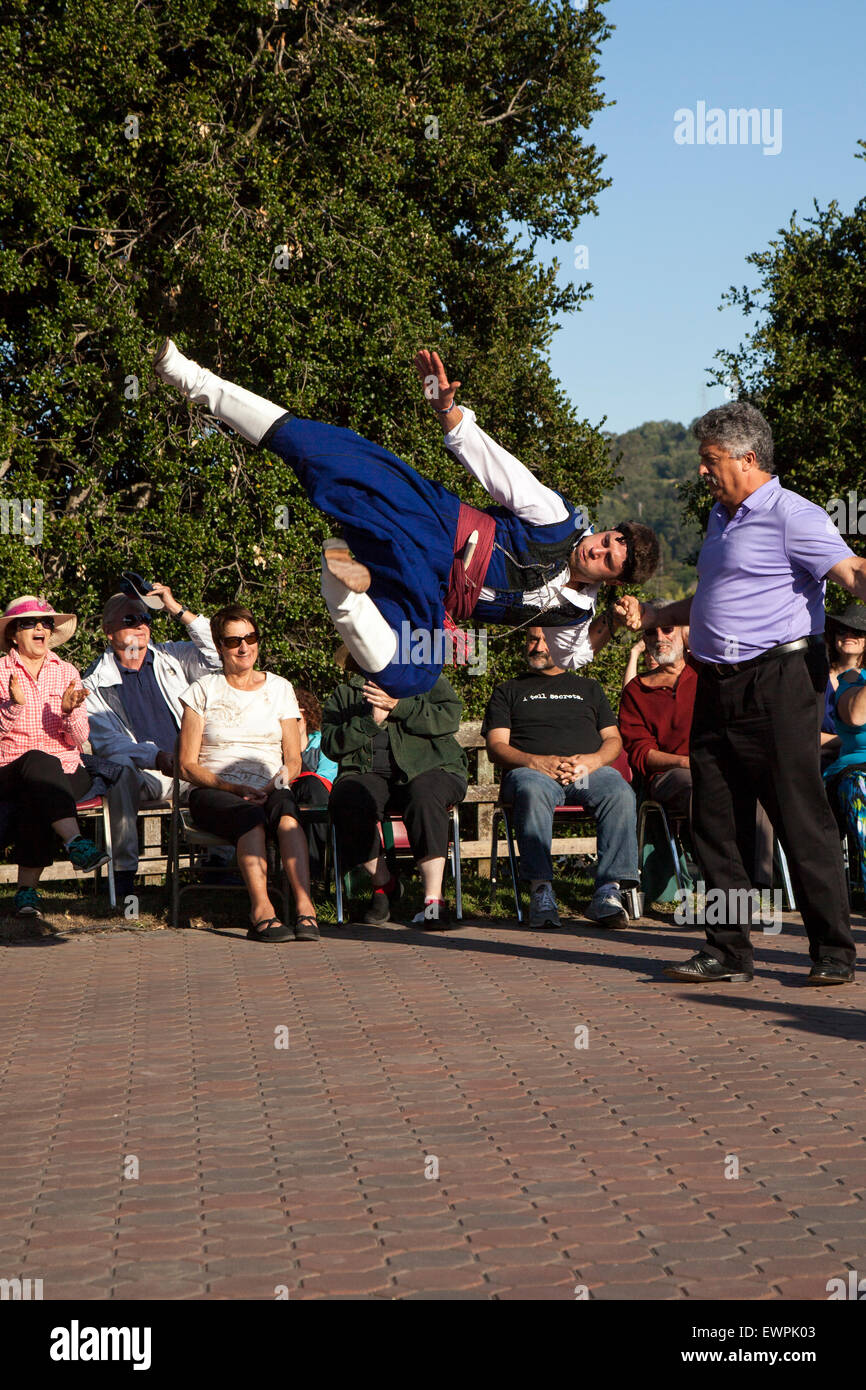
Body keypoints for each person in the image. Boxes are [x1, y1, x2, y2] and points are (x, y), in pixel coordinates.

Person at [153, 340, 658, 696]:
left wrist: (613, 626)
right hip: (437, 526)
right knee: (330, 452)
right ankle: (196, 380)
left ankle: (343, 580)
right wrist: (444, 409)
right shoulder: (556, 517)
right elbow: (494, 464)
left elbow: (575, 659)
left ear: (612, 579)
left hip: (434, 597)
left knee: (414, 673)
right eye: (610, 538)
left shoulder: (575, 614)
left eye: (611, 560)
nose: (600, 549)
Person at [641, 401, 862, 985]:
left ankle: (834, 953)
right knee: (715, 821)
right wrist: (659, 612)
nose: (702, 471)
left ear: (748, 458)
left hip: (778, 683)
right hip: (714, 686)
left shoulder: (796, 515)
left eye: (710, 460)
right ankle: (728, 951)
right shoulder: (721, 517)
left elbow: (851, 573)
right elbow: (716, 595)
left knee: (799, 816)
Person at [482, 626, 639, 929]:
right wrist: (536, 763)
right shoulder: (508, 690)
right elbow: (496, 746)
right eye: (531, 639)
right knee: (531, 790)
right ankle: (541, 889)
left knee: (618, 791)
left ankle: (608, 892)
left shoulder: (589, 687)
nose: (536, 646)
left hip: (584, 775)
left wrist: (592, 762)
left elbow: (613, 740)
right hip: (535, 775)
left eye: (544, 640)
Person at [178, 605, 318, 943]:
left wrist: (275, 783)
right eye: (234, 641)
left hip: (270, 785)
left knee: (287, 815)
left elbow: (293, 757)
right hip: (214, 788)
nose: (244, 647)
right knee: (250, 817)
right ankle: (261, 911)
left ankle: (305, 907)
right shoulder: (203, 690)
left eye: (251, 637)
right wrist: (232, 786)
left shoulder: (280, 688)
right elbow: (185, 765)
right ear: (220, 645)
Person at [83, 583, 222, 899]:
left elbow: (220, 652)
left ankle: (224, 868)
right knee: (117, 771)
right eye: (130, 620)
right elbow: (110, 745)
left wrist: (175, 607)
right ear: (108, 631)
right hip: (149, 773)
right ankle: (123, 880)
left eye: (145, 618)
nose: (141, 625)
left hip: (190, 766)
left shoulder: (171, 656)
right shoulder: (92, 684)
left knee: (231, 760)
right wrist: (158, 757)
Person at [321, 661, 467, 927]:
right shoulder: (346, 693)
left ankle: (433, 900)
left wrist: (399, 706)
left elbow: (449, 717)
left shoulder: (426, 679)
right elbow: (331, 745)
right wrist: (369, 722)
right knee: (346, 798)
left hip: (431, 769)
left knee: (425, 793)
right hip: (370, 775)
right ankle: (384, 884)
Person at [0, 596, 111, 920]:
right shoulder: (0, 671)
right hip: (9, 768)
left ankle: (26, 894)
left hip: (64, 768)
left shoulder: (66, 671)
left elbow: (78, 739)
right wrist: (13, 707)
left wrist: (68, 711)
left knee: (40, 789)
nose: (40, 627)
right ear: (12, 634)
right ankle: (76, 842)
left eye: (46, 623)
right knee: (38, 763)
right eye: (29, 623)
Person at [290, 687, 338, 881]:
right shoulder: (275, 746)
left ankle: (315, 870)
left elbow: (325, 778)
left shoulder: (322, 744)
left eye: (298, 717)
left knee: (313, 786)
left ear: (307, 715)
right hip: (288, 795)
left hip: (317, 796)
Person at [821, 604, 866, 768]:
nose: (848, 635)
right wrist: (847, 741)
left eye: (858, 632)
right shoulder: (814, 677)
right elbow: (799, 732)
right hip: (818, 765)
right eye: (842, 630)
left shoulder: (860, 677)